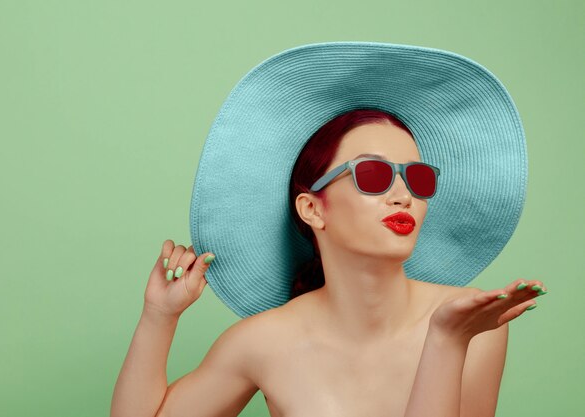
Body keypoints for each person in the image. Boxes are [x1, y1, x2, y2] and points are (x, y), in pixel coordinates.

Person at [111, 42, 548, 417]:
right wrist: (159, 316)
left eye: (418, 179)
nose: (404, 196)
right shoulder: (262, 340)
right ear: (311, 209)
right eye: (374, 176)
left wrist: (447, 341)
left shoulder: (472, 322)